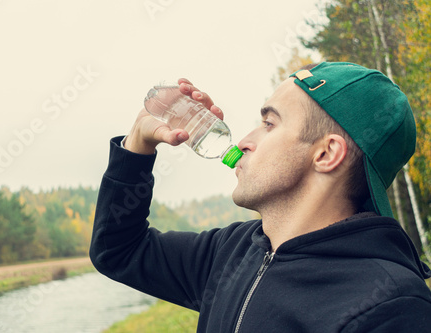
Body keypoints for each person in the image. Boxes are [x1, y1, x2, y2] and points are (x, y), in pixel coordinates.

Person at [89, 62, 431, 332]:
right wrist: (138, 142)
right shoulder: (231, 252)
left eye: (269, 124)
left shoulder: (392, 308)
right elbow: (118, 251)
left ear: (327, 154)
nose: (242, 142)